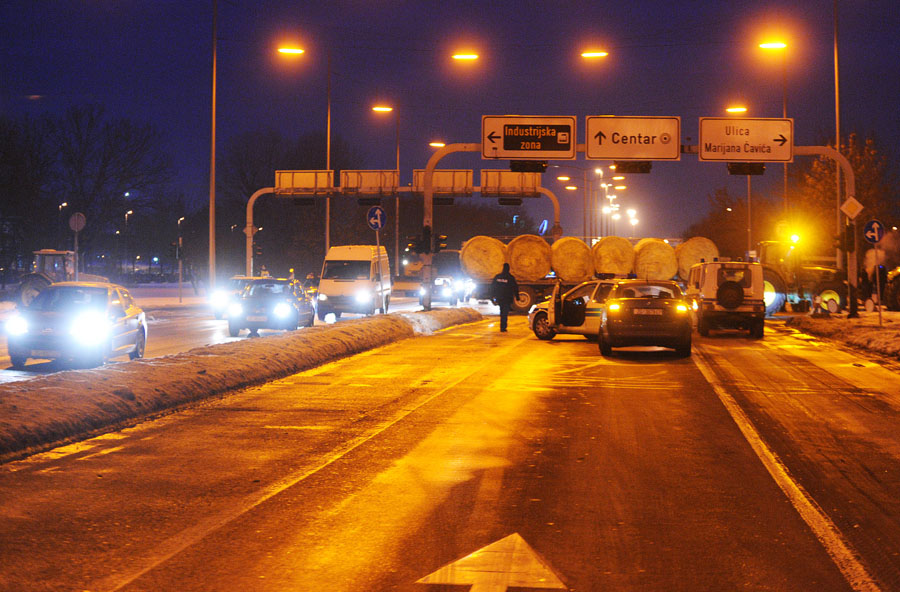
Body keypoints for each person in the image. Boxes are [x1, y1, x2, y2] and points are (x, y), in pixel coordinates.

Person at [491, 263, 518, 332]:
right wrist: (517, 297)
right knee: (505, 313)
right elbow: (515, 287)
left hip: (500, 297)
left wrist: (492, 296)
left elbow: (493, 287)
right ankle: (503, 327)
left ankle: (502, 326)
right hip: (507, 298)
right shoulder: (510, 278)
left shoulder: (498, 277)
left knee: (502, 311)